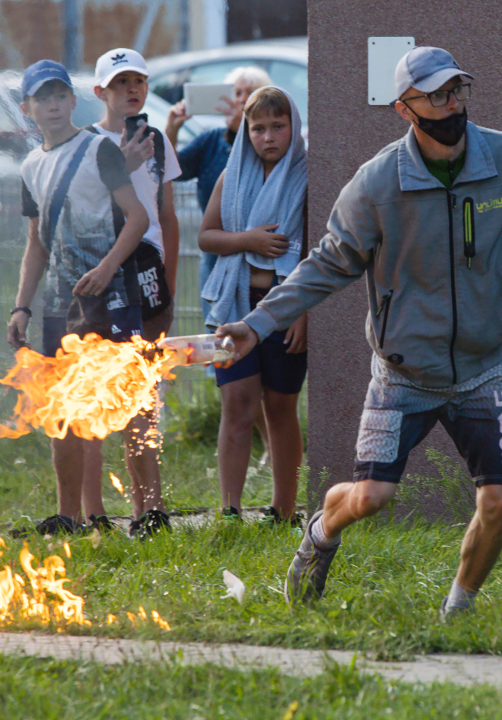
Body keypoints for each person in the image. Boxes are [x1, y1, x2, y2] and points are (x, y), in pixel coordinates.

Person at [213, 46, 502, 619]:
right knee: (371, 497)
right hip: (401, 373)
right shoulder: (377, 184)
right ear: (405, 108)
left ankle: (459, 610)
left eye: (457, 90)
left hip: (483, 369)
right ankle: (322, 529)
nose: (453, 103)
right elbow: (326, 264)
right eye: (436, 95)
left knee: (500, 500)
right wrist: (257, 324)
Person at [6, 60, 149, 535]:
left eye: (58, 95)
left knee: (128, 406)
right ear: (27, 110)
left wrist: (106, 268)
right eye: (40, 98)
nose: (50, 105)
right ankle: (69, 516)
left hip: (110, 300)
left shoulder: (100, 150)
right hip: (56, 308)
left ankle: (149, 514)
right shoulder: (30, 165)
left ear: (72, 100)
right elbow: (36, 243)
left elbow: (137, 219)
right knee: (61, 413)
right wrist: (22, 305)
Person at [197, 86, 308, 527]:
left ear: (293, 127)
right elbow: (207, 236)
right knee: (237, 406)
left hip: (284, 309)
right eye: (258, 128)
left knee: (281, 407)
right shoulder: (231, 177)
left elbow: (318, 253)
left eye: (277, 126)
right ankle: (230, 510)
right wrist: (249, 241)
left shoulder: (308, 175)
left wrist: (303, 310)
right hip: (234, 306)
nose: (268, 137)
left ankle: (284, 510)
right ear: (246, 131)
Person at [84, 47, 182, 536]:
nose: (131, 90)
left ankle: (152, 510)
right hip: (104, 282)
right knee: (101, 400)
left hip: (148, 281)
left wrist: (171, 282)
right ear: (101, 92)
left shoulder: (159, 141)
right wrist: (119, 164)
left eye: (138, 80)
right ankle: (92, 512)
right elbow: (85, 213)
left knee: (144, 397)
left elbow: (166, 216)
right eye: (120, 83)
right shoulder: (88, 144)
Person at [168, 66, 277, 464]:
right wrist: (173, 125)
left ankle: (267, 440)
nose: (240, 99)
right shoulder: (213, 141)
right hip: (217, 261)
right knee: (226, 353)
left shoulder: (271, 144)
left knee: (264, 353)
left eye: (250, 92)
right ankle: (256, 436)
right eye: (236, 91)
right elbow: (170, 168)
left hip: (265, 263)